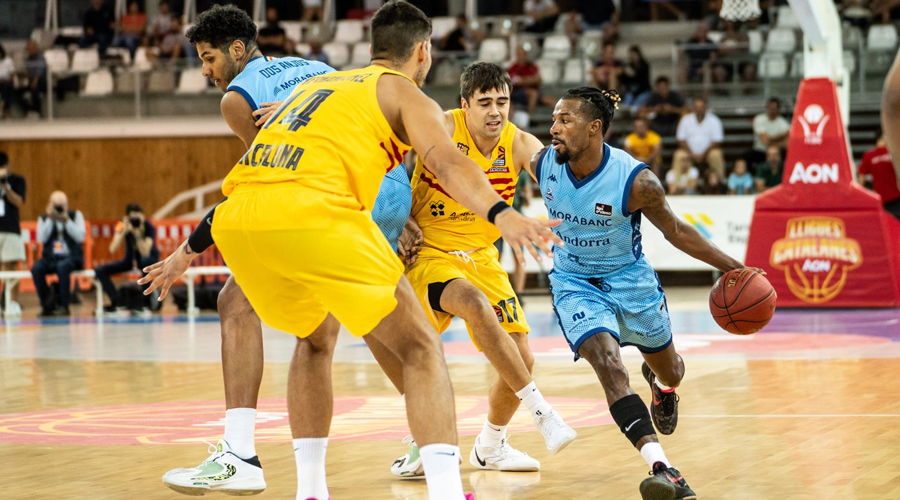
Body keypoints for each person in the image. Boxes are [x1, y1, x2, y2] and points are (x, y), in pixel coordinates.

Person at [143, 3, 564, 499]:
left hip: (241, 217)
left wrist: (187, 251)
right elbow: (446, 163)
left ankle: (303, 486)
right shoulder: (401, 93)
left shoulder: (324, 86)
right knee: (421, 349)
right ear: (423, 52)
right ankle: (447, 491)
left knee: (311, 337)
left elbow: (273, 161)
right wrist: (503, 214)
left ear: (369, 51)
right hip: (319, 213)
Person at [535, 86, 759, 500]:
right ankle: (663, 467)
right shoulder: (542, 163)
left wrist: (734, 267)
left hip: (631, 282)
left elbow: (676, 231)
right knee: (608, 364)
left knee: (671, 369)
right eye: (553, 119)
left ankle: (663, 387)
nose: (554, 129)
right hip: (575, 283)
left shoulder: (637, 181)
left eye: (565, 121)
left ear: (594, 127)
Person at [148, 4, 331, 496]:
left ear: (236, 50)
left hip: (319, 209)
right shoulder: (318, 68)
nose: (205, 70)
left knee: (245, 308)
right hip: (375, 198)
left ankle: (242, 456)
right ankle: (432, 445)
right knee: (360, 336)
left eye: (208, 58)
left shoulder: (238, 98)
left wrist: (189, 248)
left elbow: (265, 178)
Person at [390, 62, 577, 477]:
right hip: (428, 254)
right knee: (472, 305)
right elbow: (381, 168)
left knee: (522, 356)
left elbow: (552, 172)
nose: (496, 111)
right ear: (465, 105)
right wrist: (398, 218)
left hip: (482, 257)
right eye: (485, 102)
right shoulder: (438, 126)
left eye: (503, 102)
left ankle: (490, 445)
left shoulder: (519, 143)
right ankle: (541, 412)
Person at [94, 203, 159, 315]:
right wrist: (123, 231)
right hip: (129, 261)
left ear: (143, 217)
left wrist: (137, 234)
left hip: (148, 261)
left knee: (145, 263)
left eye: (138, 218)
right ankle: (117, 301)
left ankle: (144, 302)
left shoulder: (148, 226)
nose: (135, 221)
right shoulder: (123, 225)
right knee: (100, 270)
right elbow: (112, 249)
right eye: (132, 218)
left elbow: (146, 252)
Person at [32, 191, 86, 317]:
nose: (59, 208)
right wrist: (51, 219)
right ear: (50, 205)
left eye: (62, 205)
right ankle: (47, 304)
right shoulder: (44, 218)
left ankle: (64, 306)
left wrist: (67, 221)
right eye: (56, 205)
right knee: (36, 268)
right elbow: (41, 238)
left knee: (63, 266)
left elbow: (80, 238)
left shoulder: (76, 215)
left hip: (72, 257)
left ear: (67, 205)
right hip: (50, 257)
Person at [0, 152, 25, 314]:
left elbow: (18, 201)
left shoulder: (16, 180)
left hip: (10, 229)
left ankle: (13, 302)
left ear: (7, 167)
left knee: (12, 266)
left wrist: (5, 185)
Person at [675, 97, 725, 177]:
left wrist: (704, 154)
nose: (699, 109)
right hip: (689, 152)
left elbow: (717, 141)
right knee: (679, 155)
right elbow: (681, 140)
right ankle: (676, 186)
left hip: (708, 153)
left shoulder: (714, 120)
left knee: (716, 155)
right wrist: (691, 154)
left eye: (701, 107)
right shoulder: (685, 120)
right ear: (693, 108)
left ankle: (719, 183)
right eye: (696, 107)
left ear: (706, 107)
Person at [857, 129, 900, 220]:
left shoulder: (868, 156)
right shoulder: (895, 153)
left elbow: (860, 183)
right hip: (897, 197)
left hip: (881, 202)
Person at [508, 46, 554, 116]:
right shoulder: (513, 68)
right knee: (533, 93)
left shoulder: (532, 66)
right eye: (519, 54)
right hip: (518, 94)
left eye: (523, 54)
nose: (521, 56)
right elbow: (516, 82)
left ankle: (561, 122)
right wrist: (531, 79)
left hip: (535, 92)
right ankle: (531, 118)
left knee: (552, 101)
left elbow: (539, 79)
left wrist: (524, 80)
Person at [748, 97, 790, 167]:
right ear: (767, 108)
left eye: (774, 108)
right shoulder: (759, 119)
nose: (772, 110)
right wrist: (781, 136)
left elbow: (786, 143)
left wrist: (771, 139)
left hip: (778, 152)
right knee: (746, 157)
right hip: (761, 151)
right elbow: (765, 142)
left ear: (778, 109)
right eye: (771, 108)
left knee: (787, 153)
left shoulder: (783, 122)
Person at [620, 46, 652, 111]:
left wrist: (633, 74)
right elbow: (624, 81)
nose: (632, 57)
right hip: (632, 92)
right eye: (631, 55)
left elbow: (644, 81)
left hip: (643, 91)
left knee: (636, 106)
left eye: (634, 55)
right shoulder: (628, 66)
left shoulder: (644, 66)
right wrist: (624, 74)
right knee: (627, 102)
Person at [21, 41, 47, 117]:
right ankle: (29, 110)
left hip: (42, 82)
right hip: (31, 81)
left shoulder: (41, 57)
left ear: (36, 48)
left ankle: (37, 111)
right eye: (29, 48)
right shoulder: (27, 60)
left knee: (35, 89)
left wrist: (34, 82)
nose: (31, 50)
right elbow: (27, 73)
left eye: (33, 48)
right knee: (17, 91)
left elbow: (38, 74)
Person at [0, 44, 13, 119]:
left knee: (5, 87)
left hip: (5, 81)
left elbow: (11, 75)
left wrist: (7, 80)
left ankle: (2, 107)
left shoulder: (8, 61)